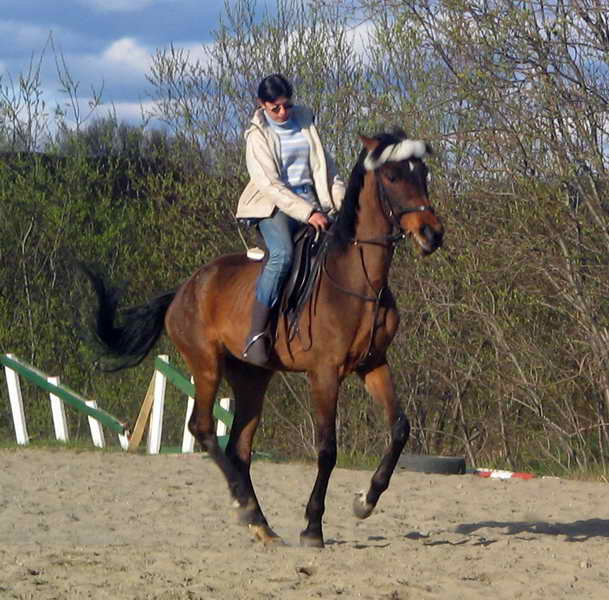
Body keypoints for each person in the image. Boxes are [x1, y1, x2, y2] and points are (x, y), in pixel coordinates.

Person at [236, 73, 346, 366]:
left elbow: (327, 170)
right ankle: (256, 334)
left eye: (287, 105)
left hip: (313, 202)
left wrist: (343, 203)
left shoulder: (306, 122)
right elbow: (270, 185)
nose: (283, 112)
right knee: (283, 255)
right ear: (262, 105)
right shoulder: (256, 137)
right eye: (276, 108)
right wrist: (308, 213)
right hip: (274, 206)